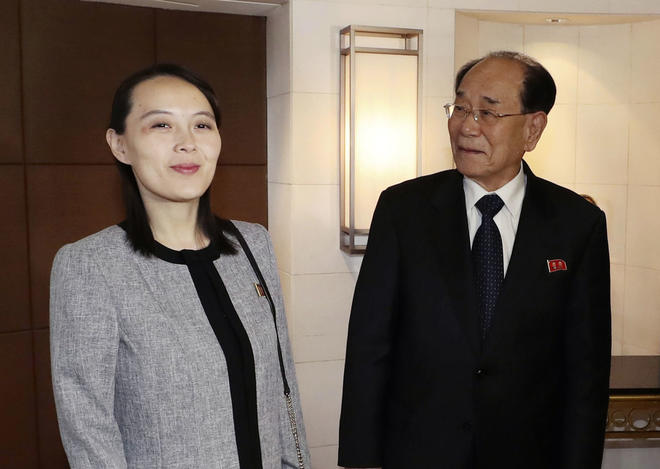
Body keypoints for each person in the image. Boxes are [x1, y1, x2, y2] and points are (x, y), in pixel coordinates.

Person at [338, 51, 611, 469]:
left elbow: (586, 371)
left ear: (533, 128)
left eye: (488, 112)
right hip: (419, 453)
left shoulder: (577, 224)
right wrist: (362, 460)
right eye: (461, 108)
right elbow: (369, 346)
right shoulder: (403, 210)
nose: (467, 125)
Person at [50, 64, 310, 469]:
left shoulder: (253, 243)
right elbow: (89, 432)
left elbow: (282, 385)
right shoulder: (91, 266)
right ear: (119, 145)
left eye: (202, 125)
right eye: (161, 125)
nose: (187, 144)